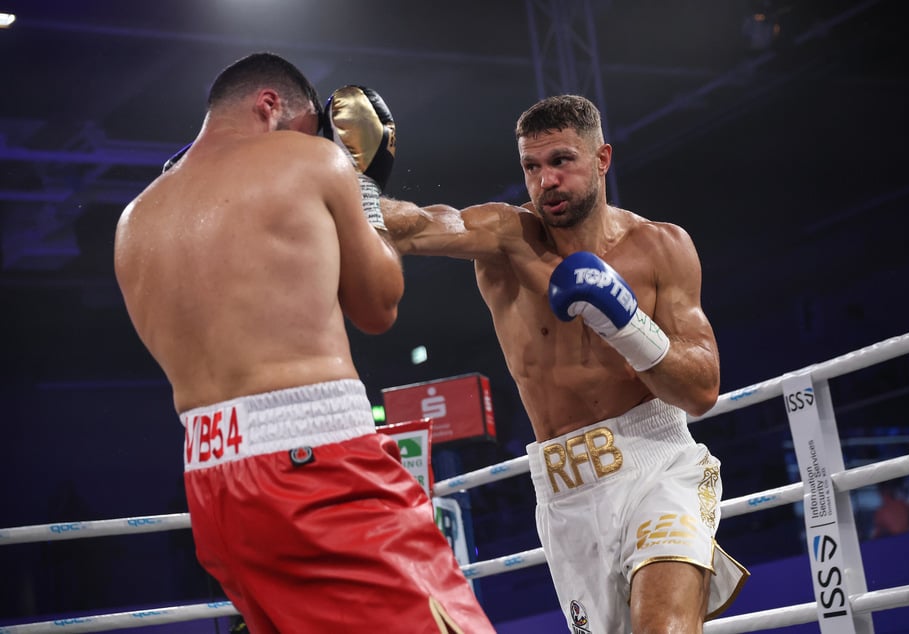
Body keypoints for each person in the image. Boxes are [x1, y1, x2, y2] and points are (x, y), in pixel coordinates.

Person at [114, 52, 495, 633]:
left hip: (213, 487)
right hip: (315, 466)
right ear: (270, 106)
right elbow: (377, 306)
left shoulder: (136, 218)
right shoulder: (311, 159)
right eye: (309, 127)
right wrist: (362, 188)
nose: (318, 140)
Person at [381, 94, 749, 633]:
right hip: (567, 488)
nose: (545, 181)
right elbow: (417, 226)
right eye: (532, 166)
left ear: (601, 159)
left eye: (561, 161)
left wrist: (627, 322)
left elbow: (702, 389)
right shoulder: (507, 239)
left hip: (658, 464)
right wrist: (341, 180)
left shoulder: (662, 246)